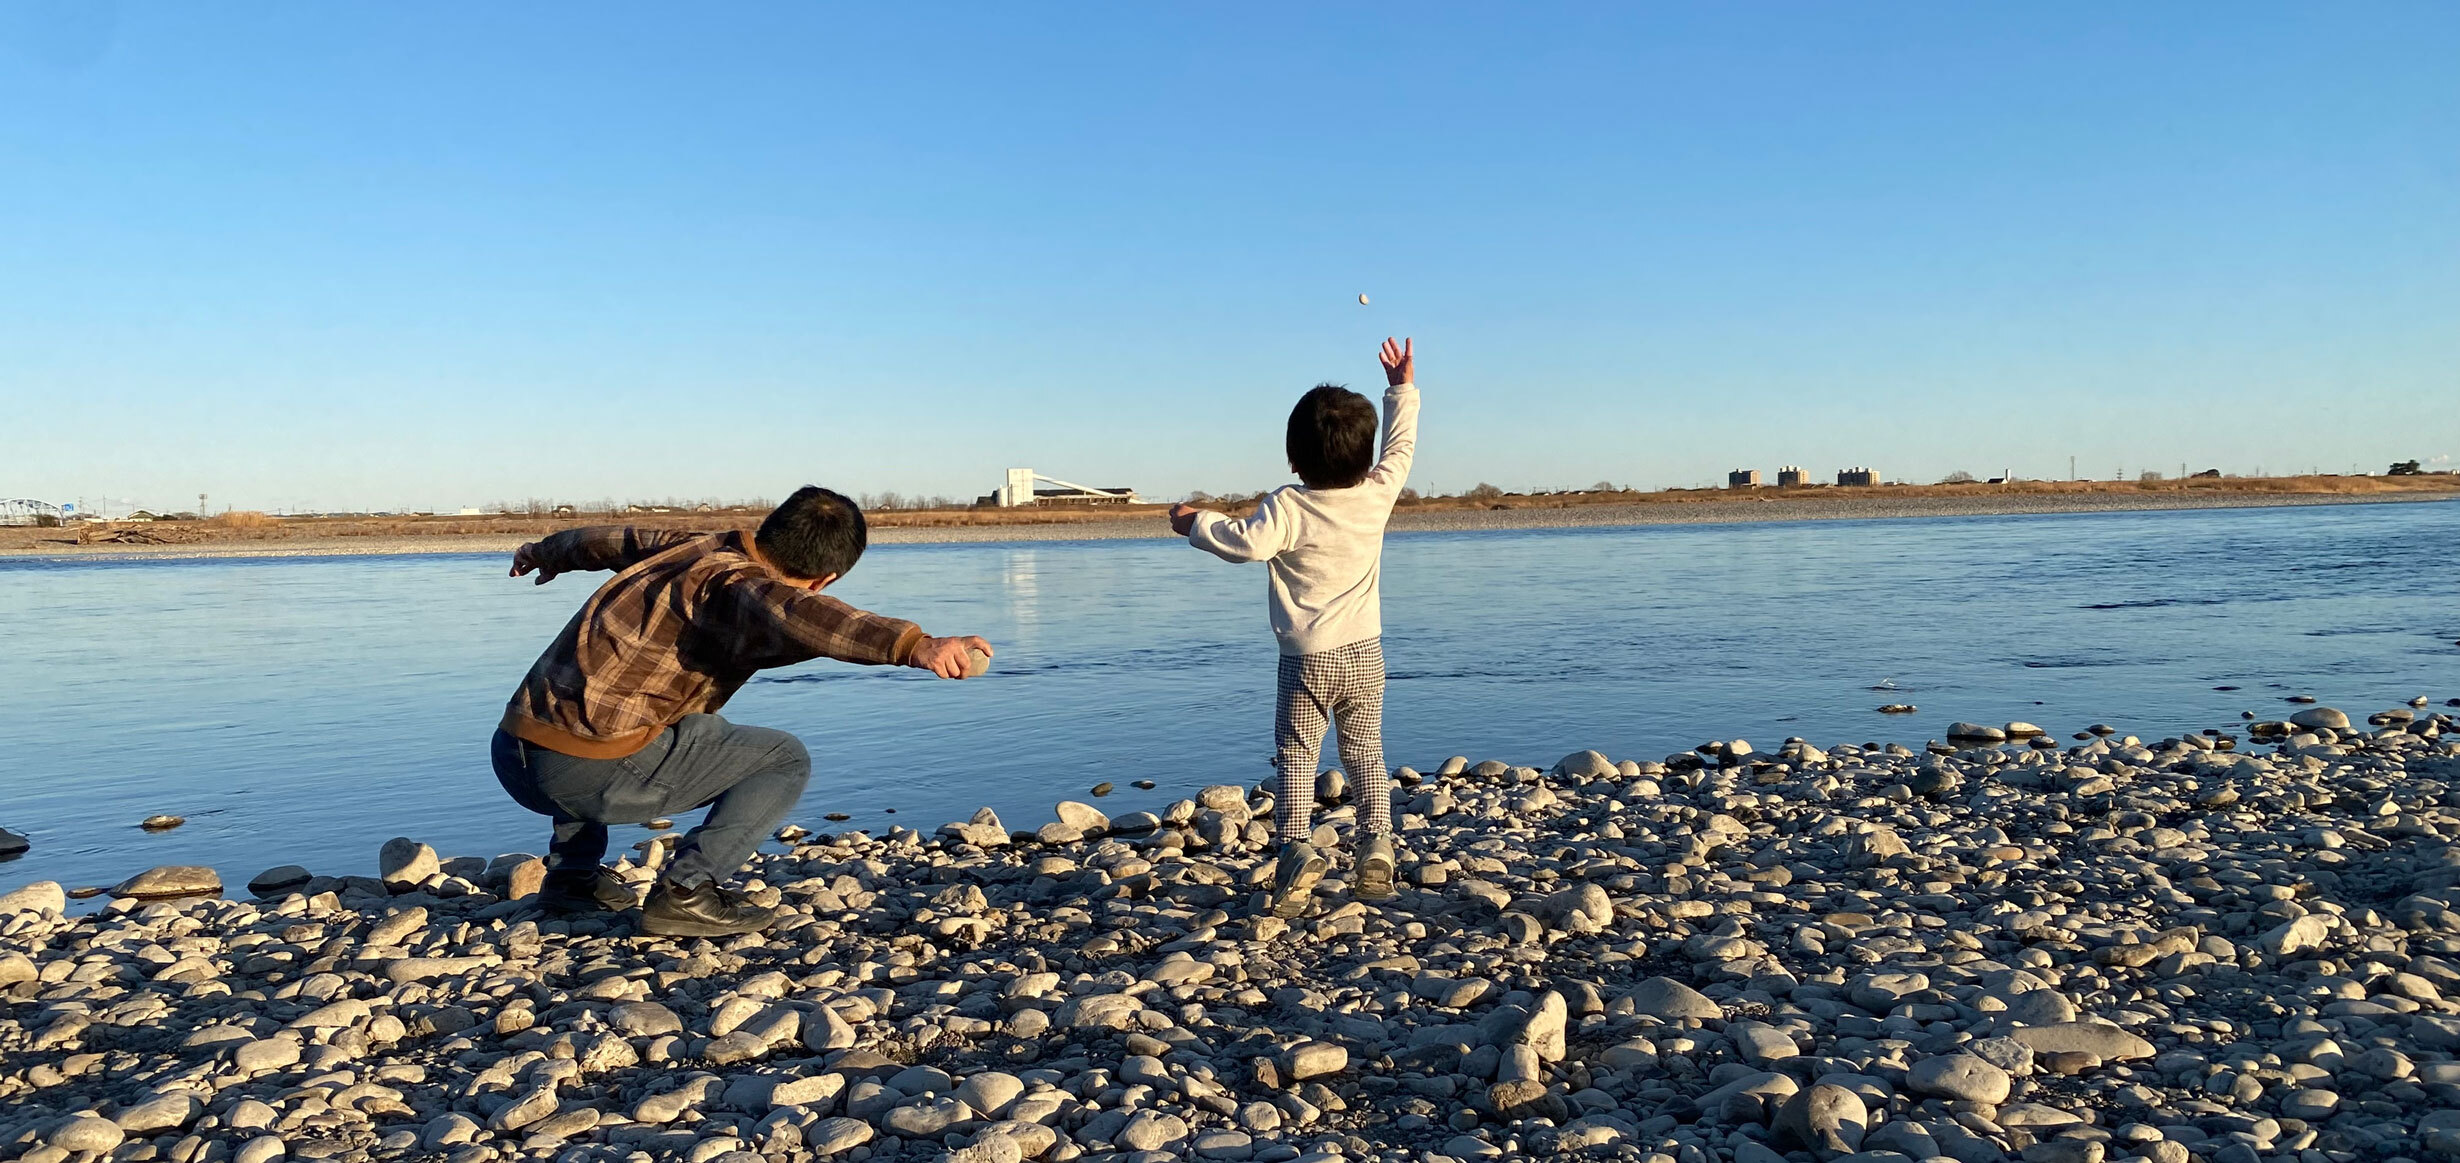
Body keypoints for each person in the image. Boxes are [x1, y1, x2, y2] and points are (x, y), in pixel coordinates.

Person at [490, 486, 992, 937]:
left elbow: (605, 539)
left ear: (772, 528)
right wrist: (916, 645)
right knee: (782, 757)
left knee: (671, 724)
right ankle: (686, 892)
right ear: (825, 578)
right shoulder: (741, 586)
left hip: (514, 751)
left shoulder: (693, 546)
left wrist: (542, 552)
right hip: (579, 775)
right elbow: (805, 616)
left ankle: (572, 881)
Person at [1169, 337, 1418, 917]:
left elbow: (1246, 543)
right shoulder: (1377, 494)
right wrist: (1401, 387)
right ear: (1365, 458)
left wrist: (1194, 523)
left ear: (1294, 460)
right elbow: (1401, 446)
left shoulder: (1287, 506)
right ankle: (1376, 844)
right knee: (1366, 752)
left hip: (1306, 659)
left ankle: (1295, 852)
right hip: (1364, 654)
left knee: (1298, 755)